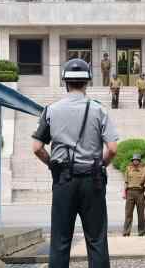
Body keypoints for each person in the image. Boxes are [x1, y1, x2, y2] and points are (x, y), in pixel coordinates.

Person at [32, 58, 118, 268]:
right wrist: (100, 165)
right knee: (96, 240)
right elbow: (113, 149)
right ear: (87, 82)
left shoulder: (51, 110)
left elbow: (36, 147)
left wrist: (53, 165)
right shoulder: (99, 110)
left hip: (63, 181)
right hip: (92, 181)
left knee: (60, 241)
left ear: (65, 82)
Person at [122, 153, 145, 237]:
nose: (135, 161)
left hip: (140, 192)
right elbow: (126, 182)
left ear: (139, 161)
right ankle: (126, 231)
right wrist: (124, 193)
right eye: (134, 160)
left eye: (137, 160)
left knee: (141, 213)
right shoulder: (128, 169)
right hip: (130, 192)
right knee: (128, 213)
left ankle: (141, 231)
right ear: (132, 161)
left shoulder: (144, 169)